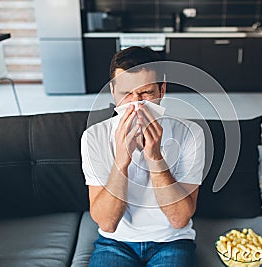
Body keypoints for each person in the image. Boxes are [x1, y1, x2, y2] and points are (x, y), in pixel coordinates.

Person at [81, 46, 205, 267]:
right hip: (115, 242)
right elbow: (108, 224)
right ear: (112, 91)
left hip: (172, 241)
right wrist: (121, 160)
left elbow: (179, 219)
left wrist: (156, 158)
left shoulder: (190, 134)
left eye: (145, 93)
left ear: (162, 90)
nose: (135, 103)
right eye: (126, 94)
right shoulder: (94, 137)